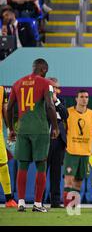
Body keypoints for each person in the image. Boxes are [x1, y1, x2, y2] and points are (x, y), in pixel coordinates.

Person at [6, 58, 59, 212]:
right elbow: (49, 105)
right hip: (40, 129)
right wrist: (55, 126)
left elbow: (9, 108)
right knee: (41, 165)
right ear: (43, 70)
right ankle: (37, 204)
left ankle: (21, 202)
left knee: (22, 166)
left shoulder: (17, 83)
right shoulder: (45, 83)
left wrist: (11, 129)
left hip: (22, 130)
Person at [63, 89, 92, 208]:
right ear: (76, 99)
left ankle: (74, 207)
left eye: (86, 97)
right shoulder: (68, 112)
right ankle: (67, 208)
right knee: (69, 180)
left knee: (78, 182)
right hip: (71, 151)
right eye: (81, 97)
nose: (84, 99)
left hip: (85, 153)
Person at [45, 77, 68, 208]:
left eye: (57, 87)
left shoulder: (61, 100)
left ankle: (55, 201)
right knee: (43, 171)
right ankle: (39, 200)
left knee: (56, 172)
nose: (57, 90)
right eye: (54, 87)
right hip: (46, 139)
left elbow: (65, 115)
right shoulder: (42, 100)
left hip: (59, 140)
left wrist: (56, 101)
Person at [0, 85, 17, 207]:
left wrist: (10, 129)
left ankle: (9, 199)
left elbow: (5, 109)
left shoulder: (1, 90)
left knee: (3, 164)